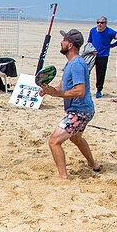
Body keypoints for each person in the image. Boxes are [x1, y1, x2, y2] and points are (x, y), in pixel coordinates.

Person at [38, 29, 100, 178]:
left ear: (70, 45)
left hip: (80, 112)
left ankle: (63, 177)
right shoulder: (71, 63)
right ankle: (93, 164)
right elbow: (62, 87)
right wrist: (48, 90)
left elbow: (79, 90)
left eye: (64, 40)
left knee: (54, 142)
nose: (61, 42)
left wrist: (57, 93)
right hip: (84, 109)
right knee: (76, 138)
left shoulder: (77, 64)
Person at [87, 17, 117, 98]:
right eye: (98, 22)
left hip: (103, 56)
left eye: (102, 23)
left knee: (100, 74)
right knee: (86, 71)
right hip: (92, 55)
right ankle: (84, 89)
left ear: (105, 23)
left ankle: (99, 90)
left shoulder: (110, 32)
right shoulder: (93, 30)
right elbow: (89, 41)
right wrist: (91, 50)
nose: (99, 24)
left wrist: (112, 45)